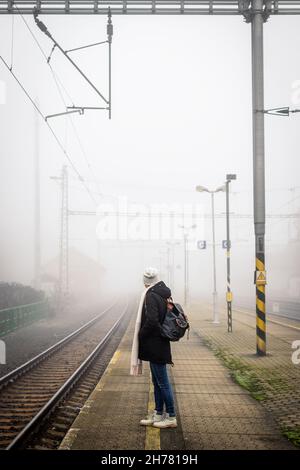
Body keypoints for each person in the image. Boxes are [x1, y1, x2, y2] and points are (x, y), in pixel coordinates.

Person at [130, 267, 177, 429]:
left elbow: (152, 321)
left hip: (155, 344)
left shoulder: (151, 296)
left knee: (162, 382)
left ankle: (171, 416)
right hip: (159, 343)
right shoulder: (163, 293)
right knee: (157, 382)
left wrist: (140, 335)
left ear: (146, 283)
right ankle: (158, 413)